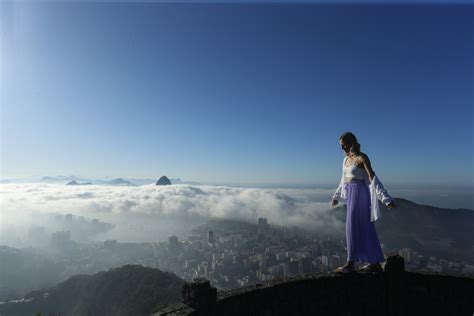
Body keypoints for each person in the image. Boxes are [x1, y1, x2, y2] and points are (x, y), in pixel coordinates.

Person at [331, 132, 396, 273]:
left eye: (343, 145)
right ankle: (375, 263)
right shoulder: (345, 160)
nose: (342, 149)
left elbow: (373, 178)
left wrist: (386, 198)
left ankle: (350, 263)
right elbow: (343, 179)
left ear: (350, 143)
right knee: (361, 228)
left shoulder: (362, 158)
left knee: (353, 228)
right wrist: (336, 196)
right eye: (340, 146)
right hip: (350, 195)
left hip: (360, 195)